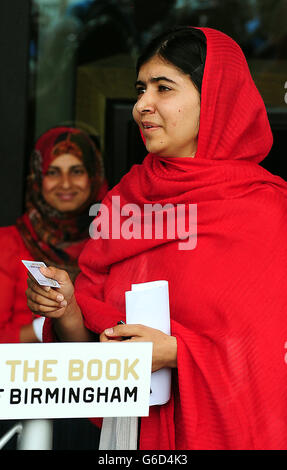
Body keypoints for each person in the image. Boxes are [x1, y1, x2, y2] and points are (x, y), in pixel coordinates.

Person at [26, 26, 287, 450]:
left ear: (215, 98)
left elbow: (271, 358)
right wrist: (68, 306)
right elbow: (95, 343)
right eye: (140, 89)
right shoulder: (127, 199)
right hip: (129, 438)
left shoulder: (266, 212)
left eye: (163, 88)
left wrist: (179, 354)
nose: (141, 106)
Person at [0, 125, 107, 343]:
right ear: (37, 177)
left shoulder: (112, 243)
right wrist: (41, 329)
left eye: (76, 171)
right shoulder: (8, 244)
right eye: (53, 172)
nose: (65, 184)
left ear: (93, 176)